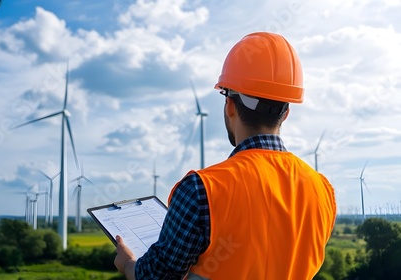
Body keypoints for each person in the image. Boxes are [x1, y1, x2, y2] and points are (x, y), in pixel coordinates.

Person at [114, 31, 337, 279]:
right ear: (286, 112)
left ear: (230, 105)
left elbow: (155, 276)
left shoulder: (202, 189)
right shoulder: (322, 189)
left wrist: (128, 264)